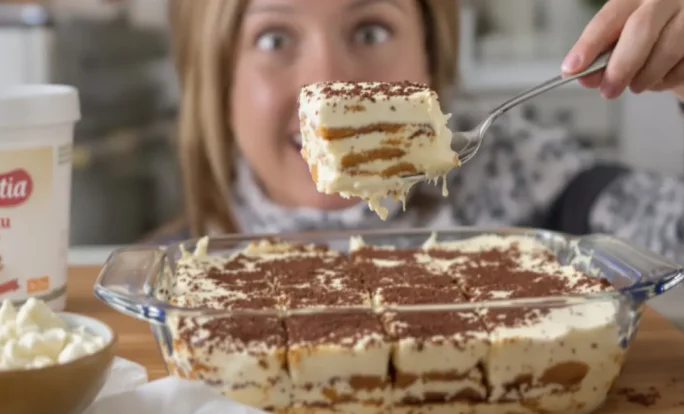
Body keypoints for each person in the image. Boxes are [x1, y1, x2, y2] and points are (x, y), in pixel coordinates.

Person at [154, 0, 684, 264]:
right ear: (217, 86)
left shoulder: (538, 186)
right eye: (273, 39)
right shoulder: (183, 264)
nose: (328, 84)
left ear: (432, 58)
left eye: (370, 29)